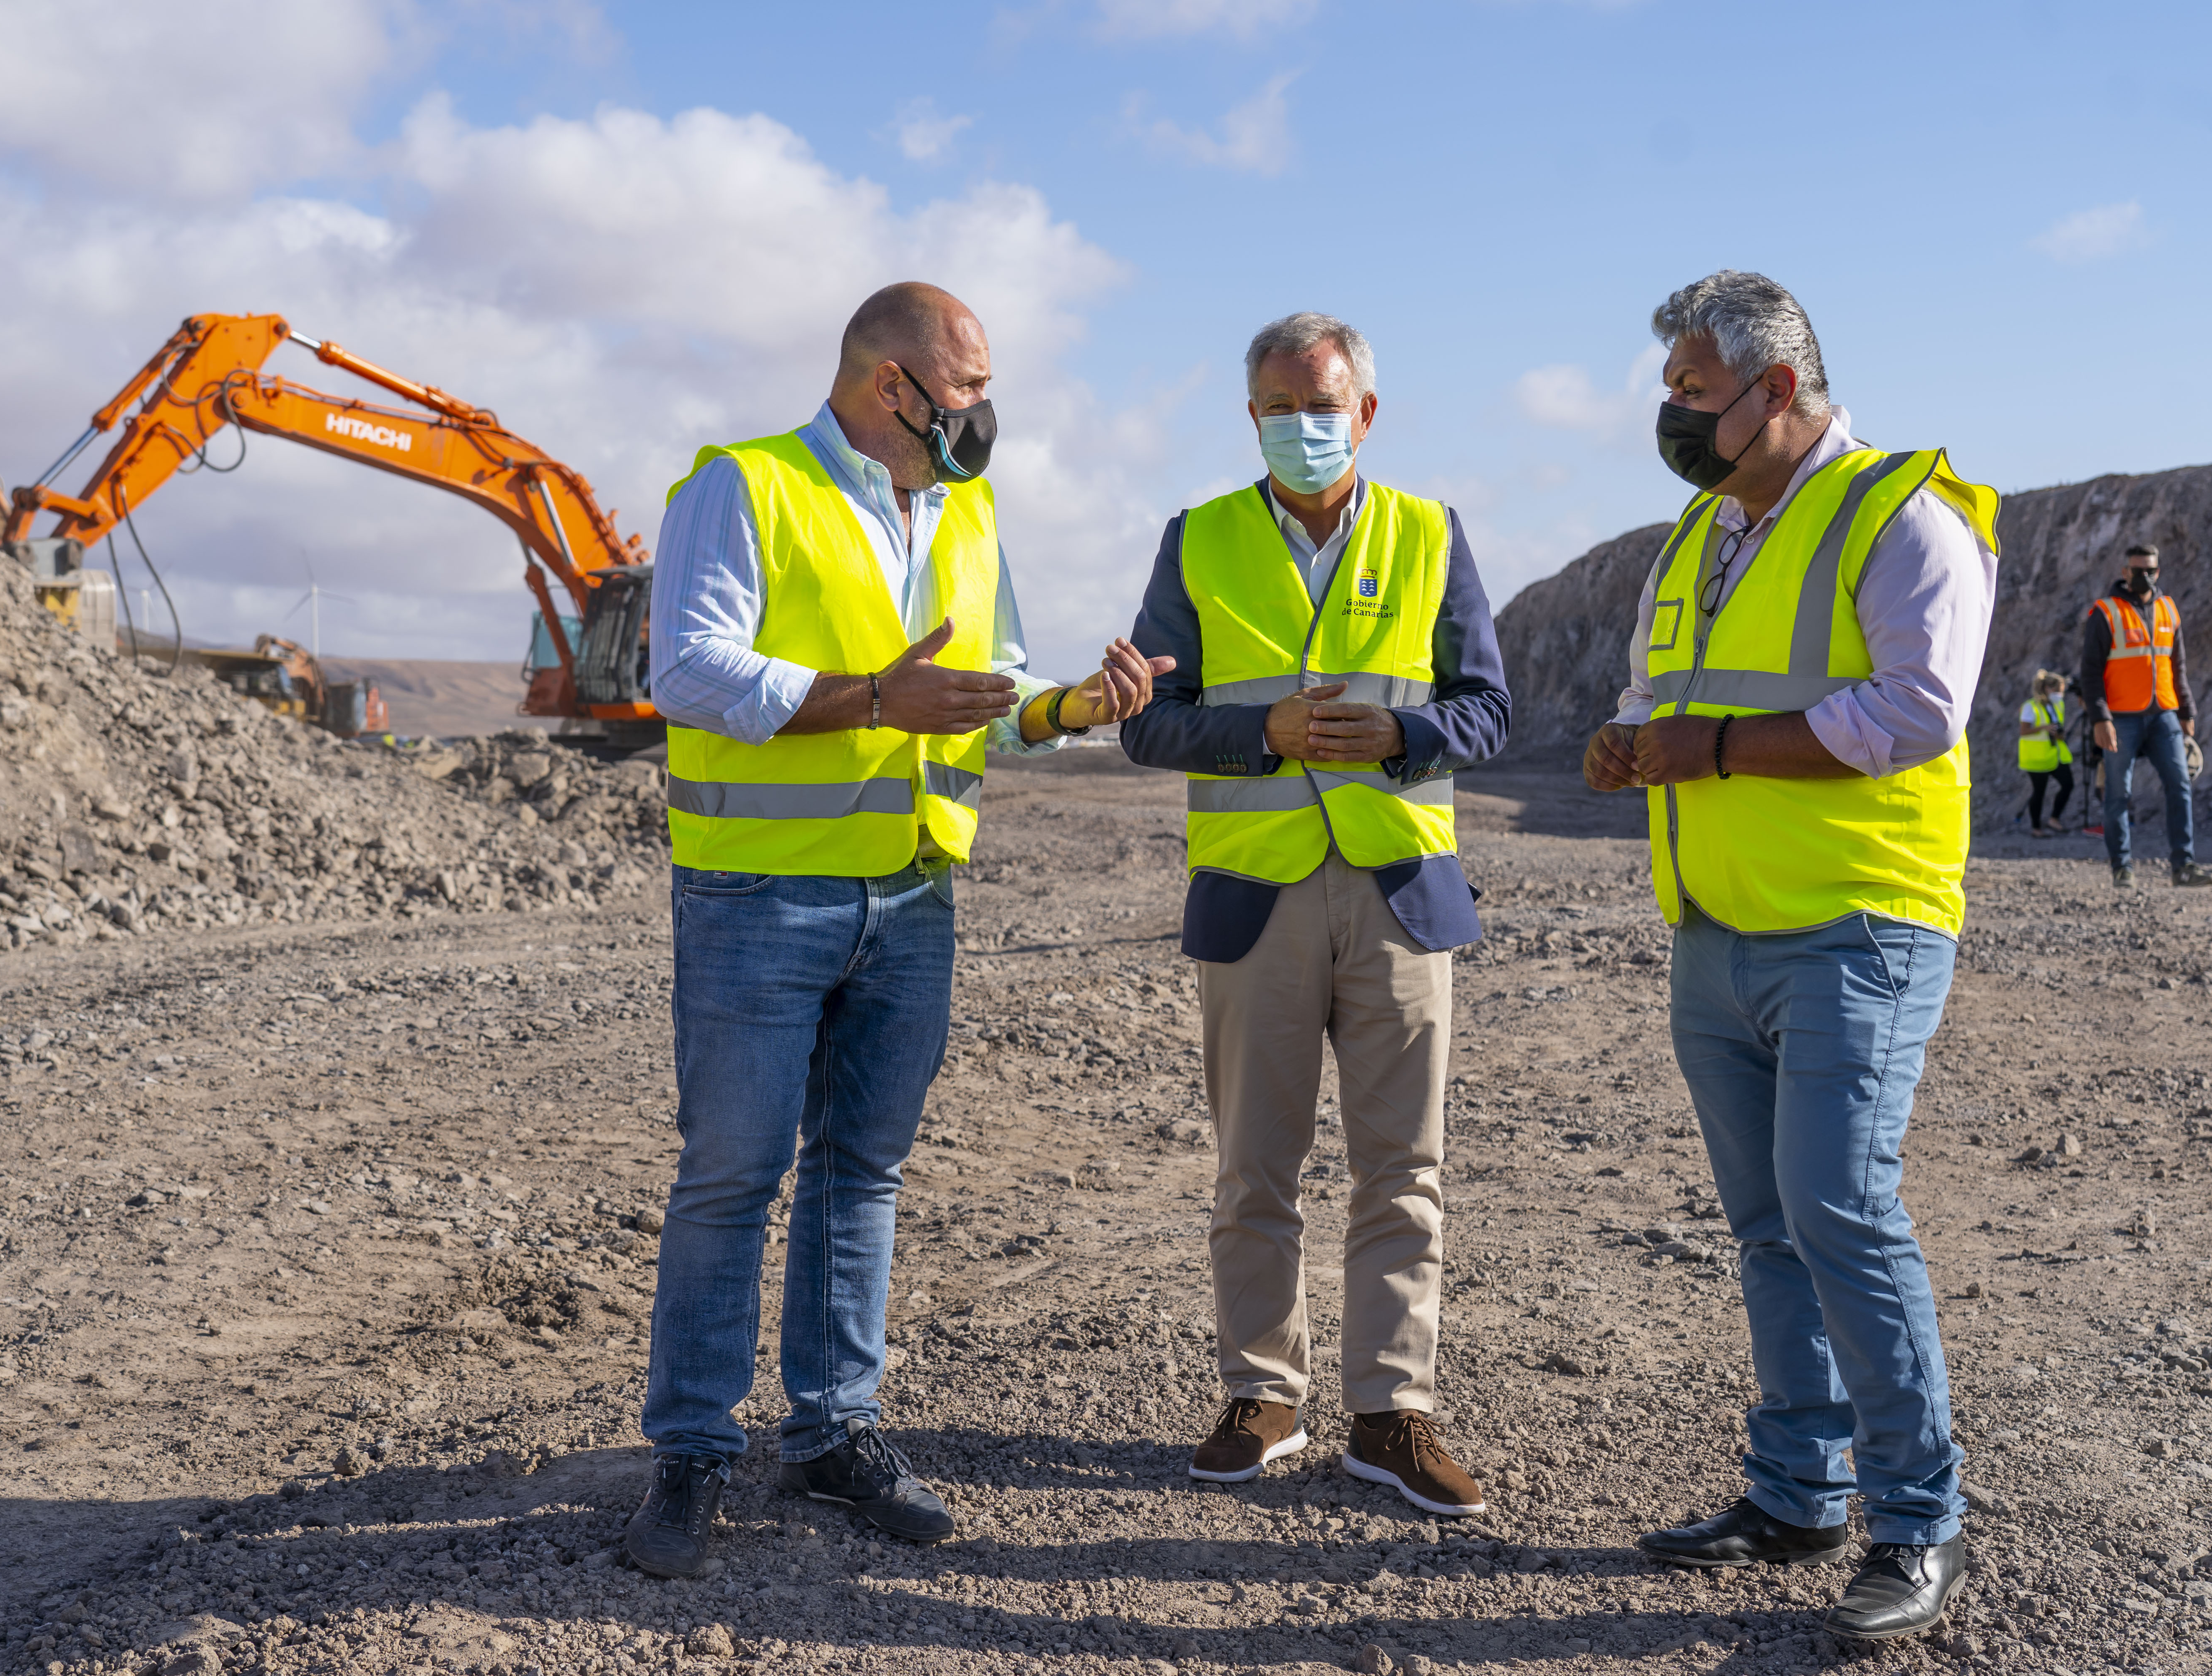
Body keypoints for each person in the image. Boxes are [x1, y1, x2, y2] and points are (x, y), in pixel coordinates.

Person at [625, 281, 1172, 1579]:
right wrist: (878, 694)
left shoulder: (967, 513)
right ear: (889, 387)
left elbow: (982, 694)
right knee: (731, 1177)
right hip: (761, 893)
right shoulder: (741, 486)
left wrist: (1064, 709)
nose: (983, 414)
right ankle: (692, 1451)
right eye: (965, 389)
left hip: (914, 890)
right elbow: (684, 669)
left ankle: (830, 1435)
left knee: (859, 1172)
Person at [1580, 271, 1996, 1640]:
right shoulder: (1700, 535)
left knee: (1842, 1213)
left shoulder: (1899, 518)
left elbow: (1915, 712)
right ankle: (1796, 1491)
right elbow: (1662, 694)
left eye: (1692, 392)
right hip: (1718, 930)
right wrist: (1631, 742)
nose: (1673, 415)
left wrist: (1707, 750)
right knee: (1768, 1229)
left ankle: (1915, 1524)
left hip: (1856, 924)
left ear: (1776, 389)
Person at [1120, 312, 1509, 1515]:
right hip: (1256, 902)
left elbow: (1494, 710)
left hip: (1398, 893)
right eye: (1280, 408)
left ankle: (1392, 1414)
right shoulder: (1199, 541)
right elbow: (1146, 721)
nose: (1303, 427)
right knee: (1256, 1169)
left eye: (1324, 405)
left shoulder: (1432, 536)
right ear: (1250, 417)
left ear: (1368, 413)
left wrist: (1407, 735)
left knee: (1404, 1169)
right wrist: (1261, 734)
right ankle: (1263, 1393)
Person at [2077, 543, 2212, 887]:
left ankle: (2184, 866)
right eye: (2138, 571)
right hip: (2120, 719)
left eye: (2151, 571)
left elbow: (2177, 666)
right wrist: (2100, 719)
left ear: (2159, 572)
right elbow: (2090, 672)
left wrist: (2187, 711)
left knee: (2180, 786)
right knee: (2117, 795)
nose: (2145, 577)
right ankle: (2122, 868)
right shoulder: (2105, 613)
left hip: (2164, 716)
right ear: (2125, 572)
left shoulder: (2169, 610)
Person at [2018, 669, 2073, 837]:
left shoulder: (2057, 705)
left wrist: (2059, 734)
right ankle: (2036, 828)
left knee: (2068, 785)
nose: (2060, 695)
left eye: (2062, 691)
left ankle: (2054, 819)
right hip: (2036, 757)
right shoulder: (2030, 707)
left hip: (2055, 754)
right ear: (2047, 689)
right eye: (2058, 691)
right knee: (2039, 792)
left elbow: (2058, 726)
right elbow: (2024, 731)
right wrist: (2044, 728)